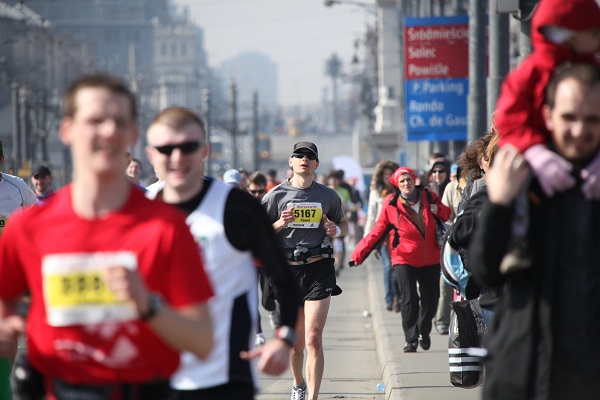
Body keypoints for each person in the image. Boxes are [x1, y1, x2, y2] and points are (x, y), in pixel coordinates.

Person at [0, 74, 215, 400]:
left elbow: (203, 340)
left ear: (132, 133)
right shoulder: (28, 228)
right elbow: (6, 312)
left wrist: (148, 306)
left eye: (119, 121)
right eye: (95, 120)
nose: (109, 131)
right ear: (67, 130)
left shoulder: (167, 227)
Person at [145, 107, 300, 400]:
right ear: (152, 155)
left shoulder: (238, 208)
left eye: (188, 147)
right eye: (166, 149)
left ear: (205, 151)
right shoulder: (139, 210)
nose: (177, 158)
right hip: (156, 374)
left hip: (225, 373)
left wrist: (284, 337)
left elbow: (284, 278)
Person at [471, 63, 600, 400]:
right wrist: (499, 204)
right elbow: (486, 269)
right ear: (548, 116)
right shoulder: (523, 180)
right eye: (569, 117)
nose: (579, 130)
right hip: (525, 372)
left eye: (592, 120)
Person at [261, 141, 348, 400]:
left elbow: (342, 222)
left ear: (317, 164)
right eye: (299, 155)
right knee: (296, 344)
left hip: (318, 268)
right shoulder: (275, 196)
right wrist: (279, 223)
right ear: (291, 162)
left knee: (313, 338)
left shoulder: (328, 196)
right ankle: (299, 383)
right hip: (287, 273)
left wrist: (337, 230)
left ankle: (313, 397)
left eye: (310, 156)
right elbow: (260, 235)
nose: (304, 159)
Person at [495, 0, 600, 199]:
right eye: (594, 33)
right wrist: (534, 152)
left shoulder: (592, 68)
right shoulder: (530, 73)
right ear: (571, 35)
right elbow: (510, 121)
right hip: (535, 180)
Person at [350, 166, 451, 353]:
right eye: (402, 181)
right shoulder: (391, 204)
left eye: (409, 180)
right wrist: (358, 254)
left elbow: (448, 214)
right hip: (403, 257)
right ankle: (411, 339)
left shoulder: (428, 197)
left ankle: (424, 330)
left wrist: (438, 210)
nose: (406, 183)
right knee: (408, 298)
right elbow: (377, 231)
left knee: (431, 299)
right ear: (397, 184)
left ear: (414, 181)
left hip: (430, 257)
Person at [246, 171, 280, 345]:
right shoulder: (244, 207)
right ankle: (258, 333)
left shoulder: (270, 206)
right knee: (252, 299)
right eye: (253, 192)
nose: (257, 195)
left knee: (267, 301)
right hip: (248, 262)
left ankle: (273, 312)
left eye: (260, 191)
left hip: (266, 261)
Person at [364, 160, 400, 313]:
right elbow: (371, 215)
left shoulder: (401, 189)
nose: (387, 177)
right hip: (383, 235)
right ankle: (390, 298)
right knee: (388, 267)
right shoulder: (376, 192)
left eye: (390, 173)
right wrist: (368, 240)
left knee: (398, 267)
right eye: (384, 174)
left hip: (400, 234)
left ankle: (399, 297)